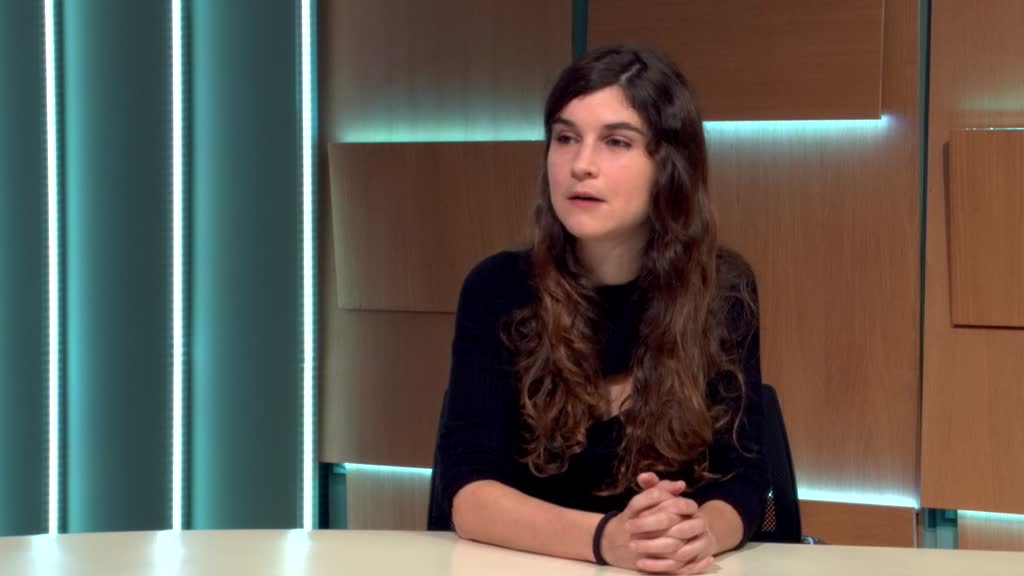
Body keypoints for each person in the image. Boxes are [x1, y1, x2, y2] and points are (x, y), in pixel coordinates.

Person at [428, 44, 768, 575]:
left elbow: (743, 478)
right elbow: (468, 493)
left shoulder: (720, 289)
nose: (580, 165)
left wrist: (692, 535)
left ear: (669, 166)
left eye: (616, 142)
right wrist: (608, 539)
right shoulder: (497, 289)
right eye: (565, 138)